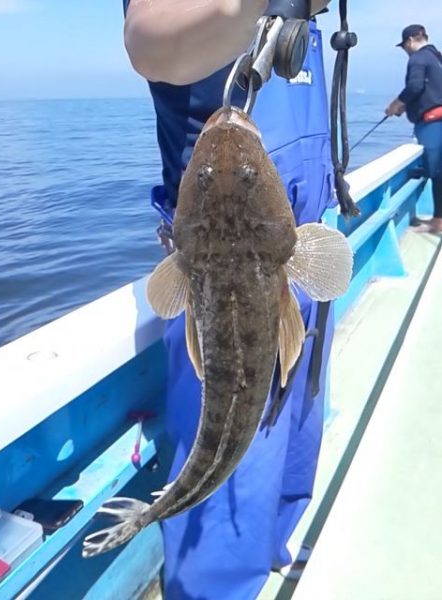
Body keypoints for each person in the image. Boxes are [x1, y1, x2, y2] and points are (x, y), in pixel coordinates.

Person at [122, 1, 334, 598]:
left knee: (295, 443)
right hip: (218, 284)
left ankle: (277, 545)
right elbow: (147, 43)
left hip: (297, 251)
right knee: (226, 468)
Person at [386, 25, 442, 234]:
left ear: (410, 41)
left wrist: (396, 104)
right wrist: (407, 106)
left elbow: (415, 87)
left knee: (437, 172)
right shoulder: (437, 57)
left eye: (404, 47)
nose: (405, 51)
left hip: (433, 124)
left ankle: (437, 222)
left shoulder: (418, 58)